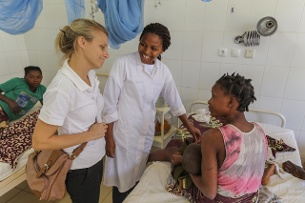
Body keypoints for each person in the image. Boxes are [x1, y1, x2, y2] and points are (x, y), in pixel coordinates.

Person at [102, 22, 201, 203]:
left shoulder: (162, 71)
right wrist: (109, 138)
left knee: (138, 174)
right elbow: (109, 104)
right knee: (121, 180)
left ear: (162, 50)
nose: (146, 51)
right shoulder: (123, 64)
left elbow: (175, 101)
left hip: (144, 131)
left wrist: (190, 126)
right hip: (122, 132)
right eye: (143, 44)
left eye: (154, 48)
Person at [32, 18, 109, 203]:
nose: (106, 54)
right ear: (82, 42)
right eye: (102, 47)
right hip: (80, 168)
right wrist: (89, 135)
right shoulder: (62, 88)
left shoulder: (89, 74)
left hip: (95, 159)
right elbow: (40, 141)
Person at [188, 73, 268, 202]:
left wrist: (190, 173)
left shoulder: (212, 137)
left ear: (231, 102)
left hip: (223, 200)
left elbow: (210, 193)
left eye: (213, 96)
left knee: (187, 155)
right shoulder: (259, 130)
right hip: (251, 197)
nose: (209, 101)